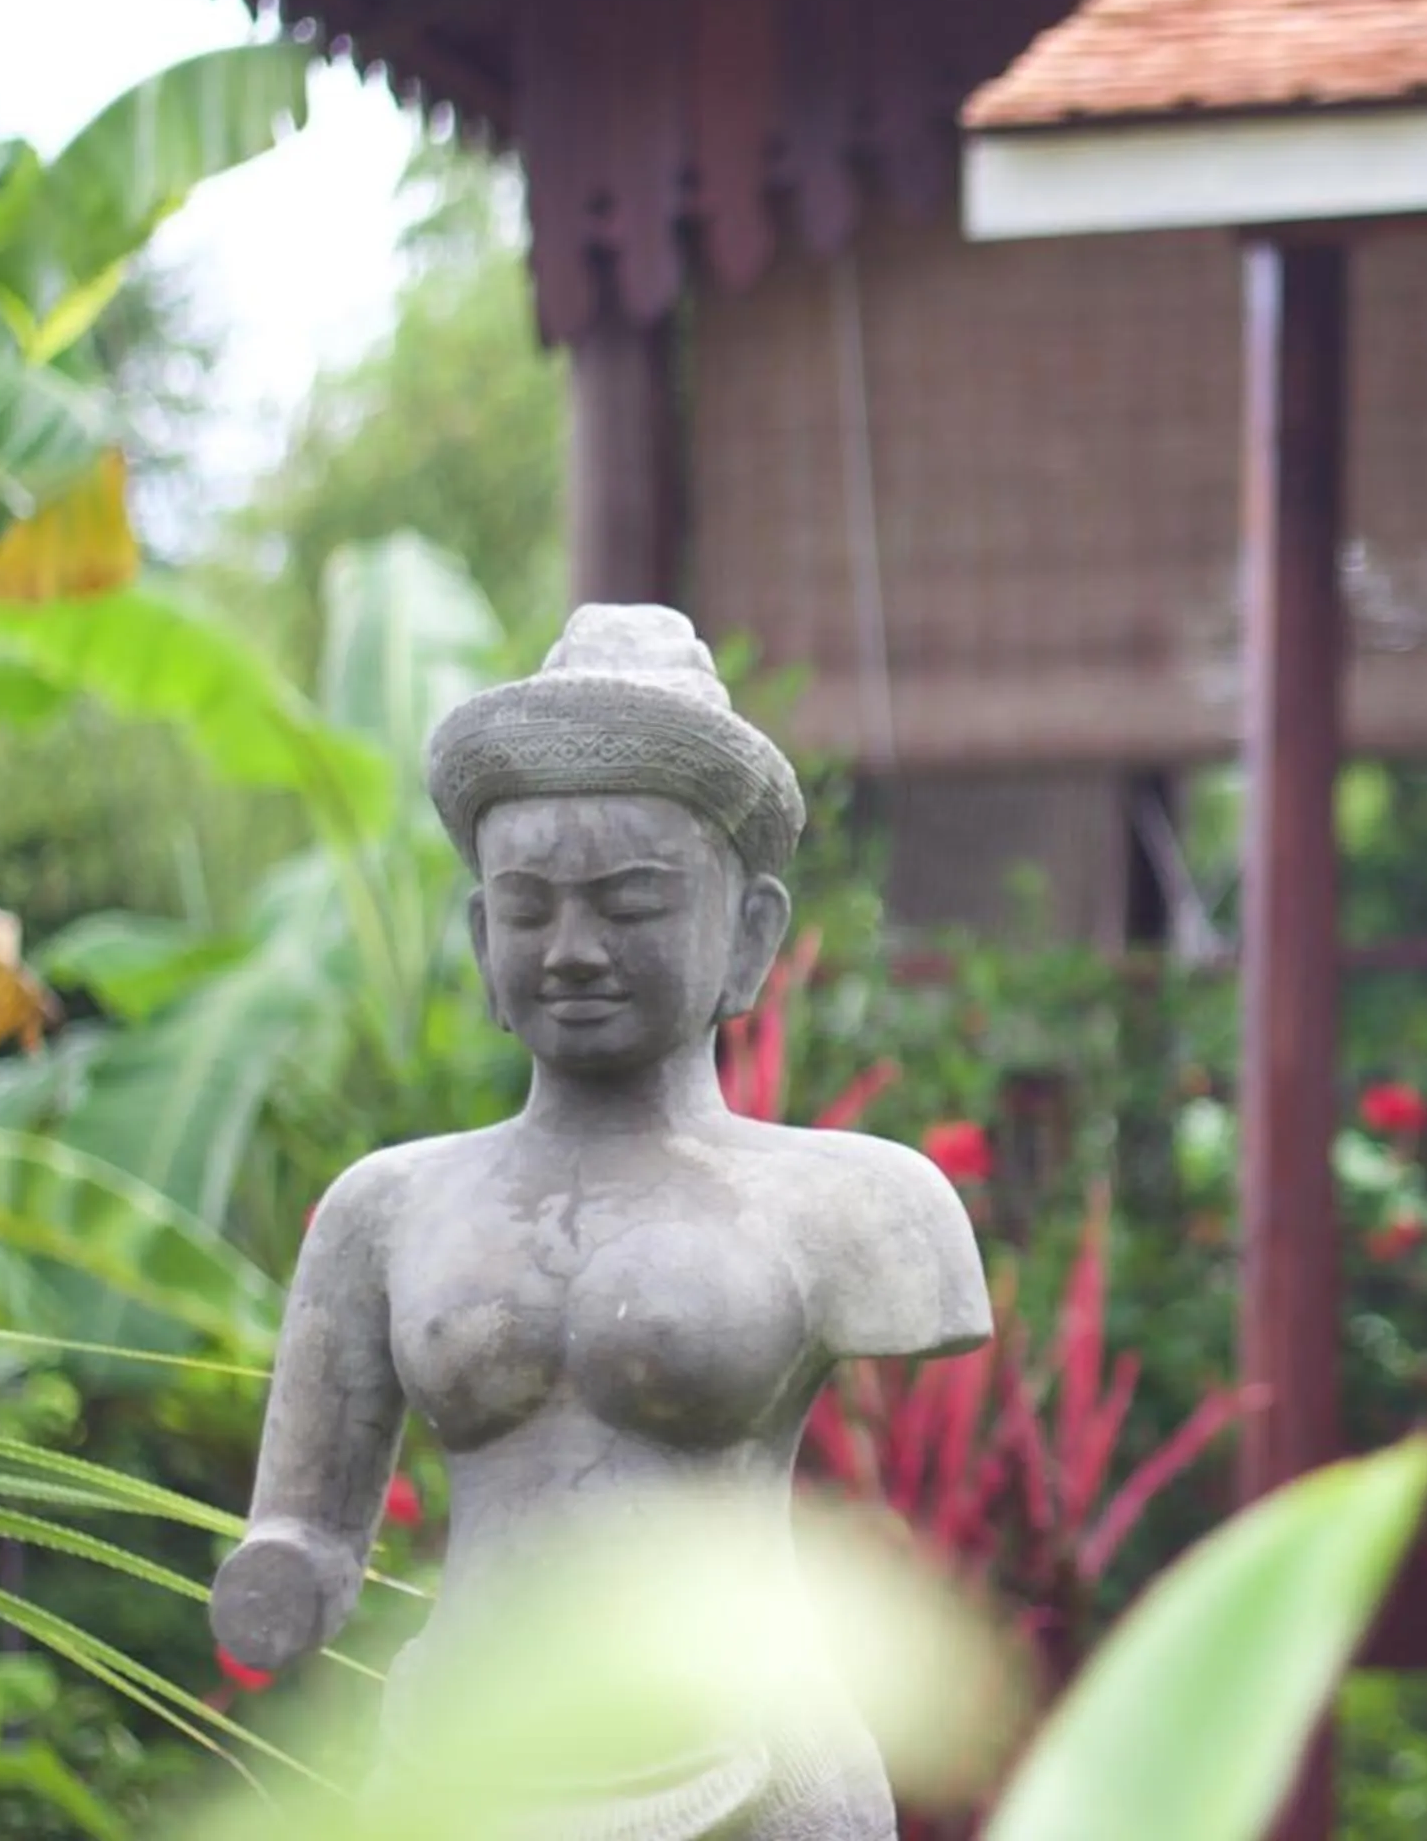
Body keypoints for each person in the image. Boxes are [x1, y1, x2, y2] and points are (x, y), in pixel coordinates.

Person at [211, 605, 991, 1839]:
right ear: (482, 939)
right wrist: (286, 1571)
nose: (572, 951)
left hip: (758, 1757)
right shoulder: (388, 1208)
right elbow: (309, 1516)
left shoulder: (858, 1206)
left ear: (750, 937)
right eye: (528, 909)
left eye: (630, 903)